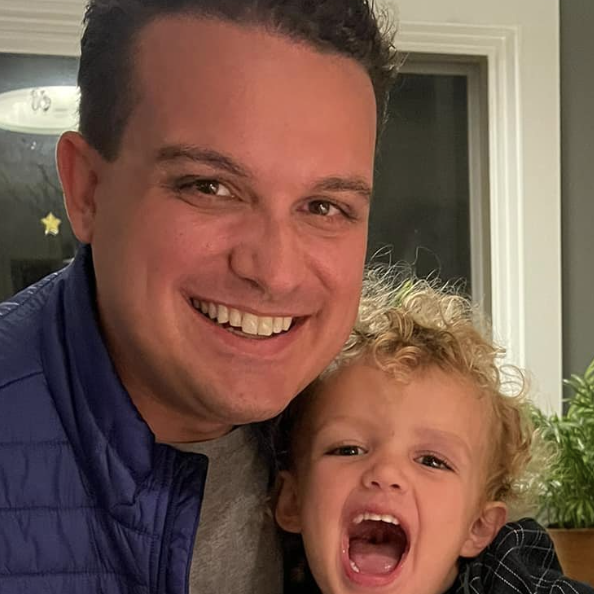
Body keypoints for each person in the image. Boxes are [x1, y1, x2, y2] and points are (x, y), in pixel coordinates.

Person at [0, 1, 398, 593]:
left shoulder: (373, 422)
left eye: (324, 206)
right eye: (209, 187)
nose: (276, 273)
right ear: (87, 191)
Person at [275, 276, 594, 594]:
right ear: (292, 501)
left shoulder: (507, 580)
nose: (385, 473)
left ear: (478, 527)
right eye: (348, 449)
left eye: (431, 461)